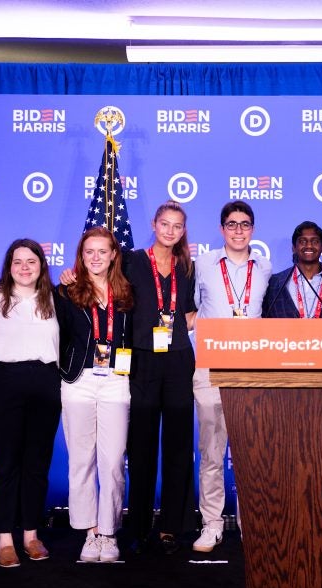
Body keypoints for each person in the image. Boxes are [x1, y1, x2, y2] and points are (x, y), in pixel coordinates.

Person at [191, 200, 272, 552]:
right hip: (209, 366)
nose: (238, 230)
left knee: (249, 452)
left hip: (251, 367)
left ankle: (249, 523)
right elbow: (190, 310)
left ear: (252, 229)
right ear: (222, 229)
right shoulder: (203, 264)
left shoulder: (266, 268)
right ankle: (211, 524)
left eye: (244, 224)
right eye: (232, 224)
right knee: (211, 451)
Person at [0, 238, 61, 568]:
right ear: (8, 266)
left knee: (36, 465)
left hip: (45, 384)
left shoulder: (55, 299)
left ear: (42, 265)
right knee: (6, 464)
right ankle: (3, 538)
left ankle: (30, 535)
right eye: (18, 262)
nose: (24, 267)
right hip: (1, 384)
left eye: (31, 261)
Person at [54, 227, 134, 563]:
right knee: (82, 460)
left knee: (113, 460)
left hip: (117, 379)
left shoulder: (128, 292)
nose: (96, 258)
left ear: (114, 254)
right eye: (90, 252)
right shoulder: (66, 290)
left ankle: (108, 532)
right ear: (81, 255)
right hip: (79, 381)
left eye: (103, 251)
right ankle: (89, 533)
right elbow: (56, 336)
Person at [123, 201, 197, 556]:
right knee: (141, 448)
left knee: (179, 447)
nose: (170, 231)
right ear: (154, 225)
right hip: (142, 360)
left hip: (179, 360)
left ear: (183, 231)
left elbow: (189, 311)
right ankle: (137, 526)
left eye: (177, 226)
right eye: (165, 224)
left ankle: (172, 526)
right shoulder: (132, 261)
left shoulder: (187, 267)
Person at [262, 220, 322, 319]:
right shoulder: (274, 284)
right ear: (293, 247)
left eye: (315, 241)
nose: (309, 245)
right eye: (303, 241)